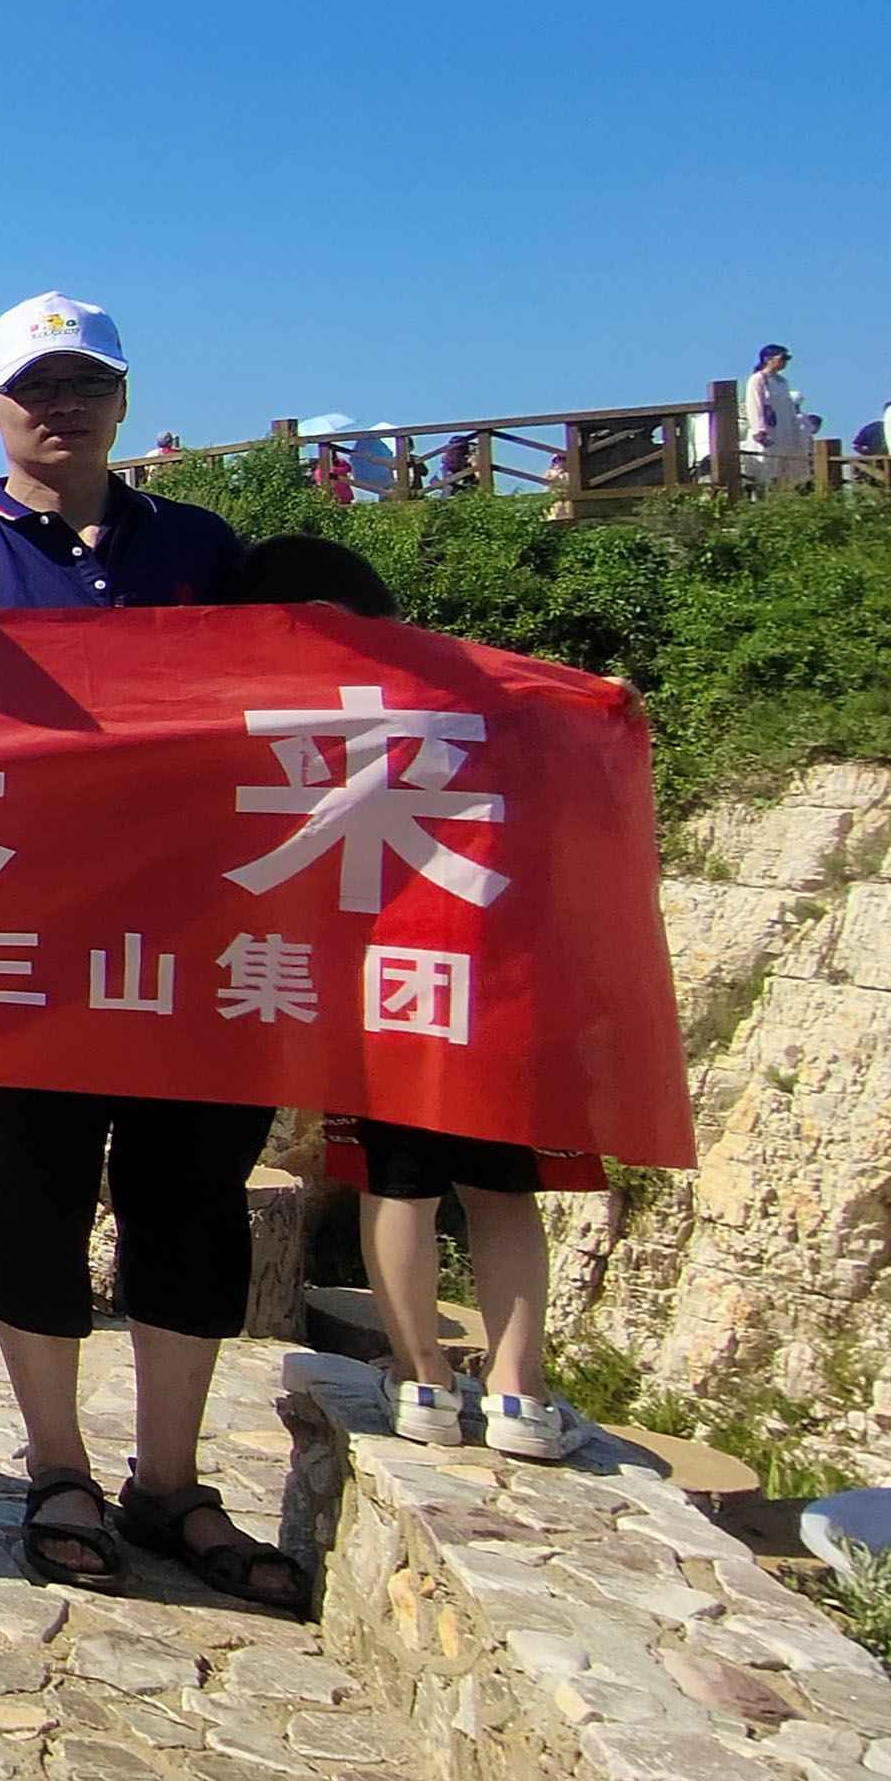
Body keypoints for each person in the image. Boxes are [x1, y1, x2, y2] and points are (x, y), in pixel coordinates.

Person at [0, 293, 304, 1611]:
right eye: (36, 386)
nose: (61, 405)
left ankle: (171, 1480)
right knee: (37, 1198)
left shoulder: (204, 549)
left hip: (200, 938)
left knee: (192, 1203)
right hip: (32, 941)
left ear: (120, 402)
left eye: (85, 383)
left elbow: (298, 698)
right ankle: (56, 1466)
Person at [236, 534, 594, 1462]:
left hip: (381, 989)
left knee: (399, 1185)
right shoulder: (462, 696)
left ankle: (422, 1377)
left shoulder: (290, 718)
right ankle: (519, 1393)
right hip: (490, 980)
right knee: (504, 1190)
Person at [747, 345, 811, 491]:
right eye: (782, 358)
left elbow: (789, 409)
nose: (785, 362)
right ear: (768, 359)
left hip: (785, 430)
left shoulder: (782, 382)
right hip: (769, 431)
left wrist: (796, 432)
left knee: (787, 469)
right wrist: (759, 431)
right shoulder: (758, 379)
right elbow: (754, 405)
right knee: (768, 469)